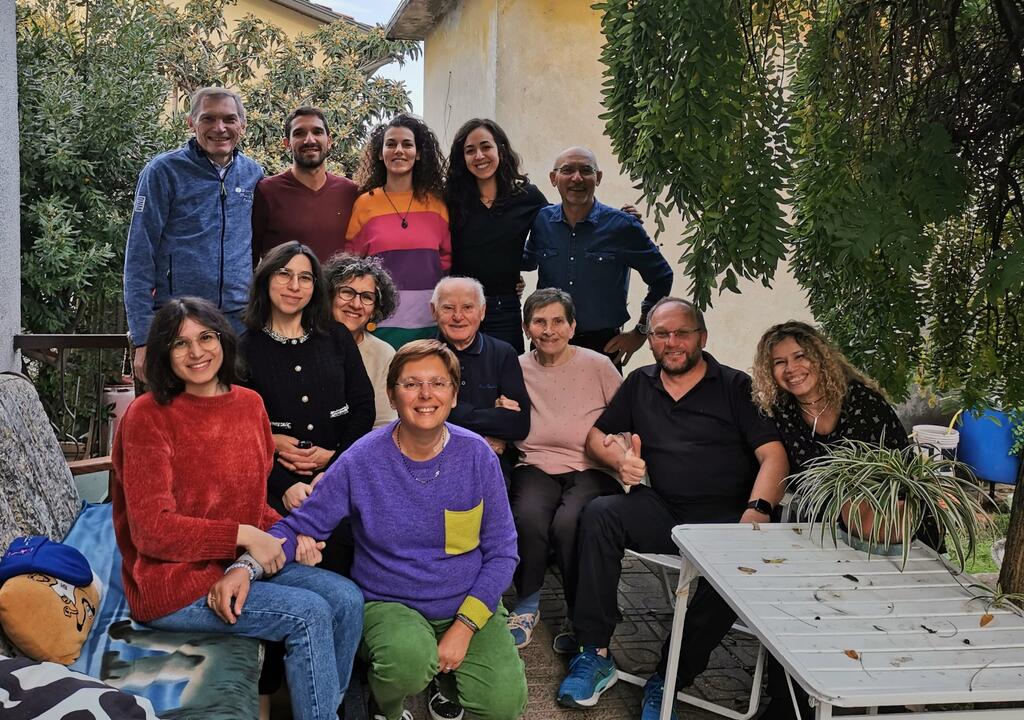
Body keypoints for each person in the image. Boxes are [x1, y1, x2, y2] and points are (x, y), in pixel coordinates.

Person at [110, 297, 363, 720]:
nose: (196, 352)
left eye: (205, 337)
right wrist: (245, 536)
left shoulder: (249, 405)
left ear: (223, 340)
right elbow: (152, 531)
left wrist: (291, 534)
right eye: (179, 343)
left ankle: (324, 707)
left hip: (238, 564)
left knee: (347, 598)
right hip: (173, 584)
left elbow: (252, 501)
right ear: (163, 354)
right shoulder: (147, 416)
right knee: (309, 613)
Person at [267, 340, 527, 720]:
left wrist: (466, 625)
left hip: (465, 598)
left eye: (438, 383)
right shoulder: (361, 459)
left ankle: (446, 683)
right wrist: (246, 566)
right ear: (391, 395)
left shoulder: (476, 455)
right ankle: (386, 707)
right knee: (406, 662)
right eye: (411, 384)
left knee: (504, 704)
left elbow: (503, 551)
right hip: (390, 602)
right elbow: (300, 525)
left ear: (454, 395)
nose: (426, 394)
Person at [557, 297, 789, 720]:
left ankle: (669, 679)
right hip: (663, 507)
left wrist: (757, 510)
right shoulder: (640, 382)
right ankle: (595, 652)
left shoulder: (734, 385)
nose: (672, 342)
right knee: (599, 515)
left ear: (702, 337)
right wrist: (618, 461)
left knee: (731, 570)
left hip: (725, 519)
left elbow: (773, 455)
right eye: (661, 334)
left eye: (682, 332)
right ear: (649, 340)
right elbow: (596, 436)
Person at [750, 320, 918, 720]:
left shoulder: (862, 403)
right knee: (787, 599)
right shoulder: (781, 410)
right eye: (779, 362)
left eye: (800, 356)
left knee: (862, 611)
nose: (791, 369)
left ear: (821, 358)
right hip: (819, 529)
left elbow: (895, 481)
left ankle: (878, 699)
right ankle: (787, 702)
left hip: (883, 529)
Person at [240, 242, 374, 563]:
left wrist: (336, 466)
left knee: (349, 549)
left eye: (305, 278)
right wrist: (284, 485)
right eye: (284, 274)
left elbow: (363, 408)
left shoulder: (337, 337)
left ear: (315, 287)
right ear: (265, 279)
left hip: (339, 476)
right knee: (283, 555)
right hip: (273, 486)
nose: (294, 286)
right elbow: (239, 433)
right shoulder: (244, 348)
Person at [506, 288, 623, 651]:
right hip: (536, 462)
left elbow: (626, 416)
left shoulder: (598, 366)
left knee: (571, 521)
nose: (549, 330)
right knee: (528, 515)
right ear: (526, 328)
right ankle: (527, 603)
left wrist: (621, 454)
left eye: (558, 321)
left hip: (592, 466)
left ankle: (580, 611)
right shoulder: (516, 368)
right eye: (539, 322)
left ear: (572, 327)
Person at [124, 87, 263, 383]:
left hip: (238, 327)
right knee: (177, 411)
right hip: (179, 324)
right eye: (208, 118)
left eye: (229, 119)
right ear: (191, 123)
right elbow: (139, 255)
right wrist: (142, 337)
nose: (219, 128)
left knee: (235, 409)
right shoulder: (163, 171)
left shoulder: (253, 174)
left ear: (242, 124)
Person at [522, 146, 674, 369]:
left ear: (598, 177)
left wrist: (641, 332)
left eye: (586, 170)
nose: (577, 178)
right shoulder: (541, 221)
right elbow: (526, 261)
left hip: (603, 347)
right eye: (567, 170)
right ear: (554, 178)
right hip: (547, 343)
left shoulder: (623, 226)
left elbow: (662, 277)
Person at [345, 114, 451, 349]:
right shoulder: (365, 204)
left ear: (419, 153)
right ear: (380, 153)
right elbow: (353, 266)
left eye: (407, 144)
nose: (399, 150)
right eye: (391, 144)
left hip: (429, 324)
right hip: (379, 326)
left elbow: (447, 264)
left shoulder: (437, 204)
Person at [445, 119, 549, 353]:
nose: (479, 156)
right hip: (458, 309)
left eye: (486, 147)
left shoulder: (527, 197)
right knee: (455, 373)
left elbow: (558, 225)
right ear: (462, 158)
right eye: (470, 150)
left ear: (500, 150)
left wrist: (620, 216)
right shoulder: (450, 199)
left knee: (506, 373)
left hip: (504, 310)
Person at [431, 276, 530, 483]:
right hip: (433, 458)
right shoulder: (422, 356)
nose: (458, 316)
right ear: (434, 311)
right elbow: (420, 418)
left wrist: (450, 412)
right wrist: (490, 423)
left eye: (468, 307)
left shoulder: (503, 353)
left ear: (482, 311)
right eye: (448, 308)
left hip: (491, 459)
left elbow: (520, 425)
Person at [252, 106, 359, 263]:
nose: (309, 140)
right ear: (287, 143)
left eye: (317, 132)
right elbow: (250, 257)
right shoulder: (266, 191)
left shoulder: (350, 192)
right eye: (299, 133)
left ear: (329, 141)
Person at [324, 253, 400, 428]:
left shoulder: (384, 353)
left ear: (374, 310)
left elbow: (384, 425)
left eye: (366, 297)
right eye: (347, 292)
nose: (356, 304)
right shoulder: (305, 342)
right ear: (329, 297)